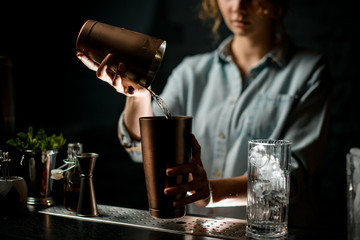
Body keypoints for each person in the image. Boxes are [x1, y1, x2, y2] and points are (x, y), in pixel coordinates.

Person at [77, 0, 331, 227]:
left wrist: (210, 191)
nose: (238, 6)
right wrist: (138, 95)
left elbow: (291, 177)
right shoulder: (191, 72)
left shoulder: (309, 71)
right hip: (196, 232)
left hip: (268, 233)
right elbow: (142, 149)